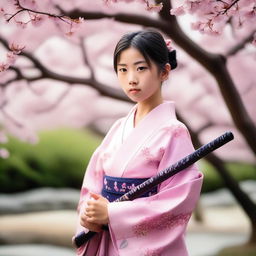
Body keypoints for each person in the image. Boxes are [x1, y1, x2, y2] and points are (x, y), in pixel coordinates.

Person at [73, 29, 203, 256]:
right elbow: (93, 184)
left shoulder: (174, 131)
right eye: (123, 70)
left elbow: (177, 201)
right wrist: (89, 212)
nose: (131, 78)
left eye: (141, 68)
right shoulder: (117, 128)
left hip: (138, 243)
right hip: (107, 238)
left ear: (164, 72)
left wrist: (113, 214)